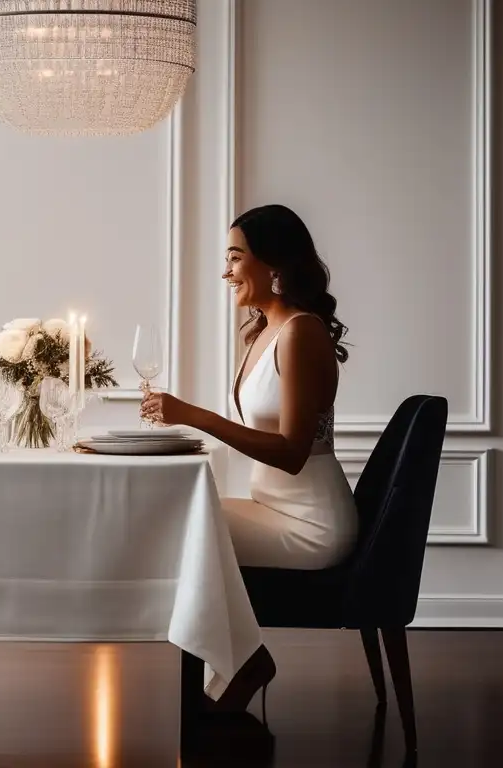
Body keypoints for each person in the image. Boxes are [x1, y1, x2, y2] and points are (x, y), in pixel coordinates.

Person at [141, 203, 358, 713]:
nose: (226, 271)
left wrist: (194, 416)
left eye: (236, 257)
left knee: (190, 528)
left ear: (273, 264)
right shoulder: (263, 331)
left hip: (311, 524)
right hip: (273, 509)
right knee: (184, 518)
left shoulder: (301, 331)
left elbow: (292, 453)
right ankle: (238, 662)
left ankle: (245, 663)